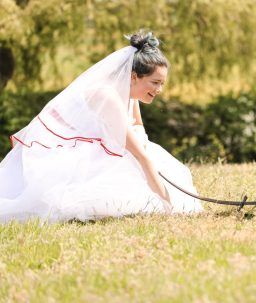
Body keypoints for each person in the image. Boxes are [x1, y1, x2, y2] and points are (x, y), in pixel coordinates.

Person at [0, 30, 203, 223]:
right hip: (66, 151)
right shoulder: (107, 96)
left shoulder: (129, 89)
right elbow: (141, 157)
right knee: (133, 171)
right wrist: (170, 207)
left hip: (105, 143)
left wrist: (141, 139)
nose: (159, 90)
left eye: (162, 84)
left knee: (151, 158)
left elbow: (138, 124)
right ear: (134, 76)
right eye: (155, 82)